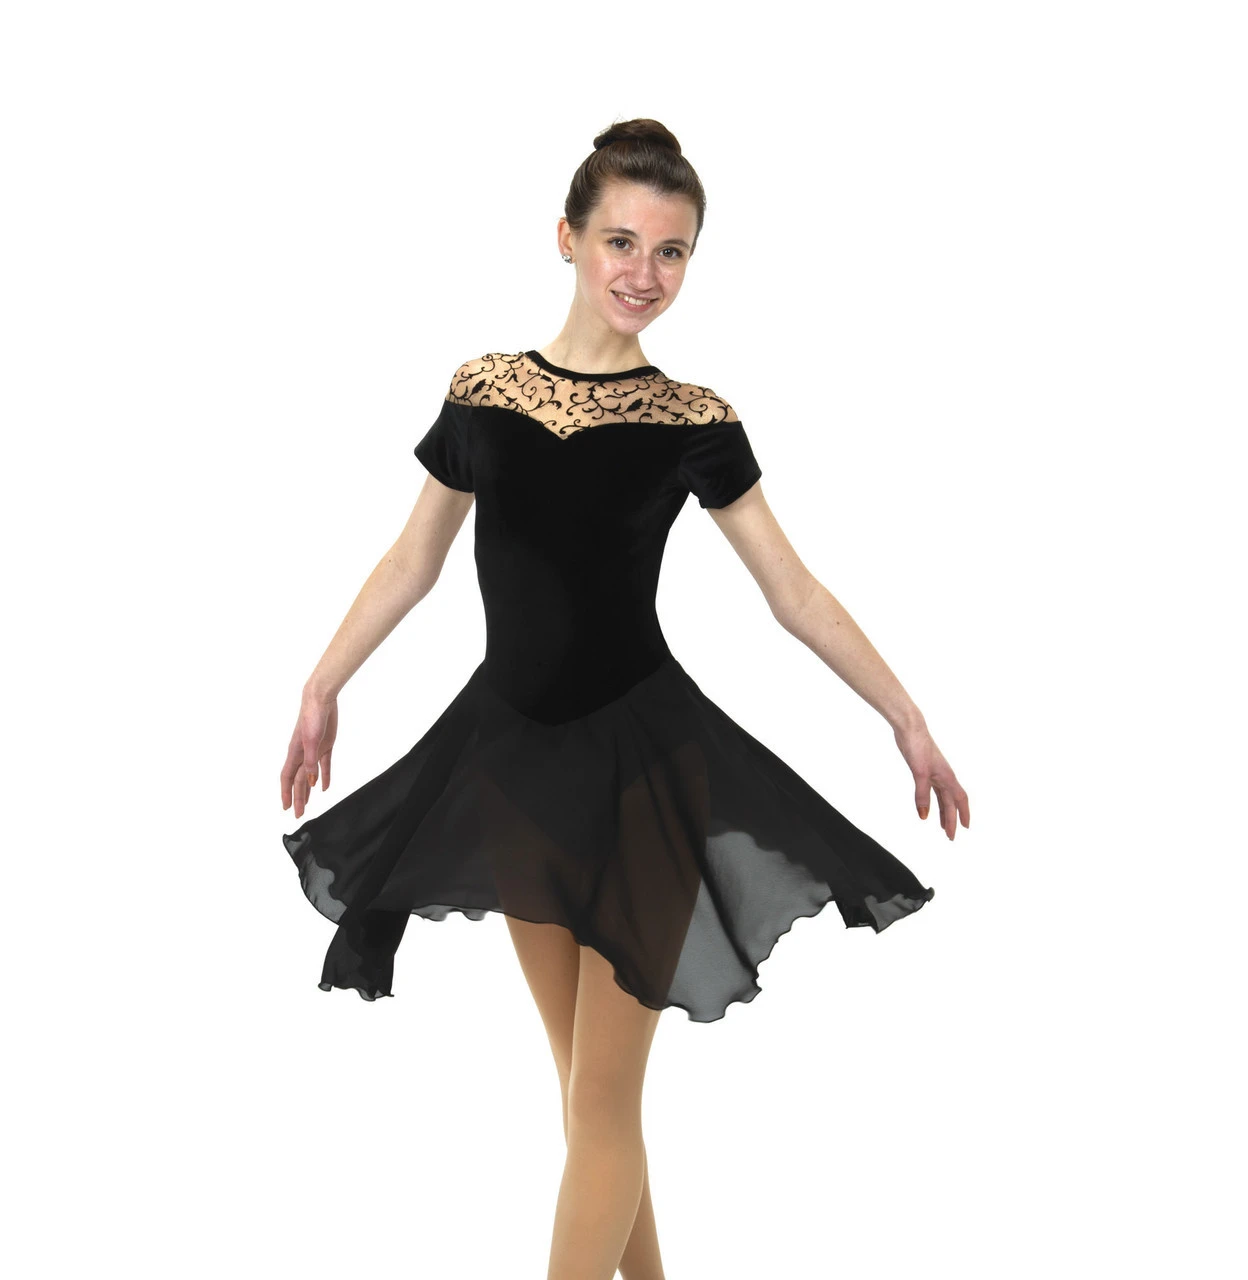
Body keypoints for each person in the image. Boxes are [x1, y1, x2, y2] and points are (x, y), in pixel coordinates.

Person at [278, 117, 969, 1279]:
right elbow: (412, 560)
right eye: (620, 241)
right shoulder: (483, 392)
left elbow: (792, 591)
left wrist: (903, 715)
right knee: (584, 1099)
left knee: (601, 1104)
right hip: (509, 767)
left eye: (671, 250)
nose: (644, 272)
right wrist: (321, 681)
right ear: (566, 237)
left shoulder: (692, 419)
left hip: (642, 772)